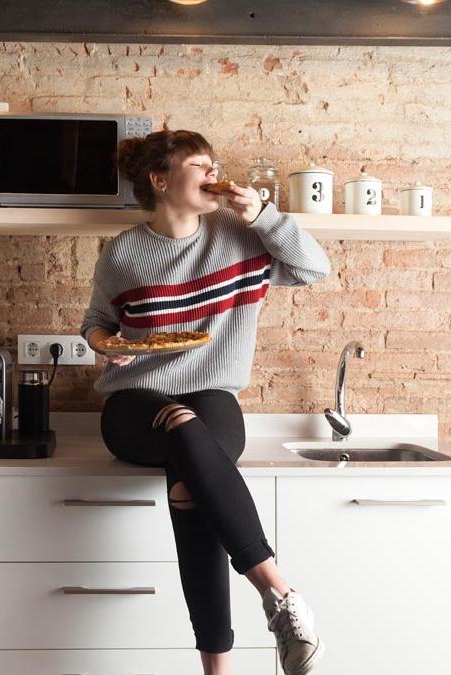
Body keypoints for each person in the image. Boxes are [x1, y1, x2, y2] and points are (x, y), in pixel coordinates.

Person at [79, 129, 331, 675]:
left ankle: (218, 668)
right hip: (136, 402)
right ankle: (280, 594)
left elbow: (314, 268)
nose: (214, 172)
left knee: (189, 482)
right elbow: (96, 323)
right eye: (200, 164)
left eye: (214, 163)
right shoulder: (122, 252)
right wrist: (108, 346)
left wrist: (263, 214)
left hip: (212, 396)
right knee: (178, 425)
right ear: (160, 179)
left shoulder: (239, 236)